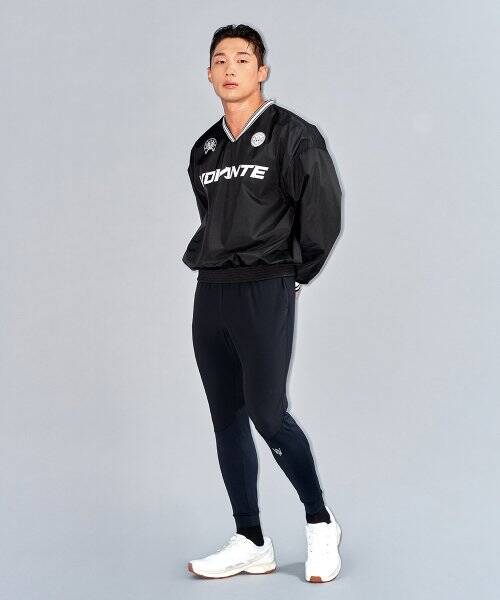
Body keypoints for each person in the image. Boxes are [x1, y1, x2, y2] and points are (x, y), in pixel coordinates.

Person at [182, 24, 343, 583]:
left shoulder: (294, 135)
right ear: (209, 73)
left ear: (262, 71)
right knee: (226, 416)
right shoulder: (203, 149)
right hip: (212, 292)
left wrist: (293, 273)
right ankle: (250, 538)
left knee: (267, 413)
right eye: (220, 60)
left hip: (266, 286)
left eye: (243, 59)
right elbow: (214, 218)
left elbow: (324, 212)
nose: (230, 69)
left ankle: (320, 523)